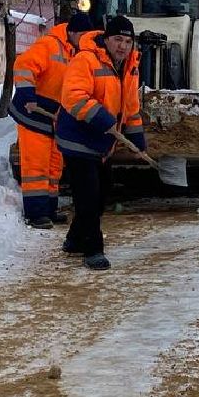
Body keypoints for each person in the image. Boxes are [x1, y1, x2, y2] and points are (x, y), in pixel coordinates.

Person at [55, 14, 145, 270]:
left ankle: (74, 239)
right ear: (106, 40)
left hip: (103, 142)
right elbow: (73, 96)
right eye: (118, 39)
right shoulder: (85, 59)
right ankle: (92, 250)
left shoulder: (129, 66)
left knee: (102, 193)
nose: (123, 46)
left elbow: (131, 106)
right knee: (89, 197)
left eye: (128, 41)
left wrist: (136, 135)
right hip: (78, 138)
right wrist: (103, 118)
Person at [11, 10, 98, 228]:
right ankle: (36, 214)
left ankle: (49, 208)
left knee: (54, 165)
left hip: (54, 117)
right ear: (74, 32)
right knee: (36, 166)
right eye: (85, 36)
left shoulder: (76, 52)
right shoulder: (49, 45)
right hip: (33, 114)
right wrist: (28, 95)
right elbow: (23, 66)